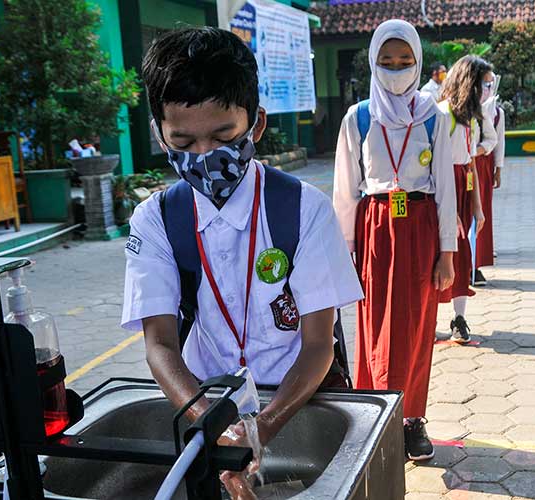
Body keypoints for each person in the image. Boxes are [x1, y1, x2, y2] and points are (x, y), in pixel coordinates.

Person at [122, 27, 363, 496]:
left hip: (299, 398)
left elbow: (318, 344)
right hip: (201, 395)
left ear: (256, 124)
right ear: (160, 133)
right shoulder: (155, 221)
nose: (205, 157)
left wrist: (261, 427)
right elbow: (161, 346)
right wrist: (216, 424)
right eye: (184, 142)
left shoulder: (302, 210)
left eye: (222, 135)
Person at [333, 19, 457, 461]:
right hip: (374, 228)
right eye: (387, 61)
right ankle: (374, 415)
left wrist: (448, 253)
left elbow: (445, 187)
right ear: (372, 63)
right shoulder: (359, 117)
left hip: (420, 224)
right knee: (374, 326)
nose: (397, 69)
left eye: (405, 61)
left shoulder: (434, 117)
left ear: (419, 62)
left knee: (419, 326)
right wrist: (343, 255)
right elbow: (346, 192)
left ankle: (412, 419)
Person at [437, 55, 497, 343]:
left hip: (463, 188)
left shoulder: (471, 119)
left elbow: (470, 162)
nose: (488, 90)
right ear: (468, 84)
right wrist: (450, 211)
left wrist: (477, 208)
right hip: (443, 190)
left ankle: (459, 319)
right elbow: (435, 168)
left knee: (462, 257)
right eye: (484, 84)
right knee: (437, 257)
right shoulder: (441, 115)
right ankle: (426, 323)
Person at [474, 72, 505, 284]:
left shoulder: (495, 112)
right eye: (482, 84)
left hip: (482, 163)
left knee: (481, 211)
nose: (486, 88)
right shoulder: (456, 109)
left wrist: (498, 168)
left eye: (489, 84)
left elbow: (497, 140)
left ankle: (476, 263)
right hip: (459, 165)